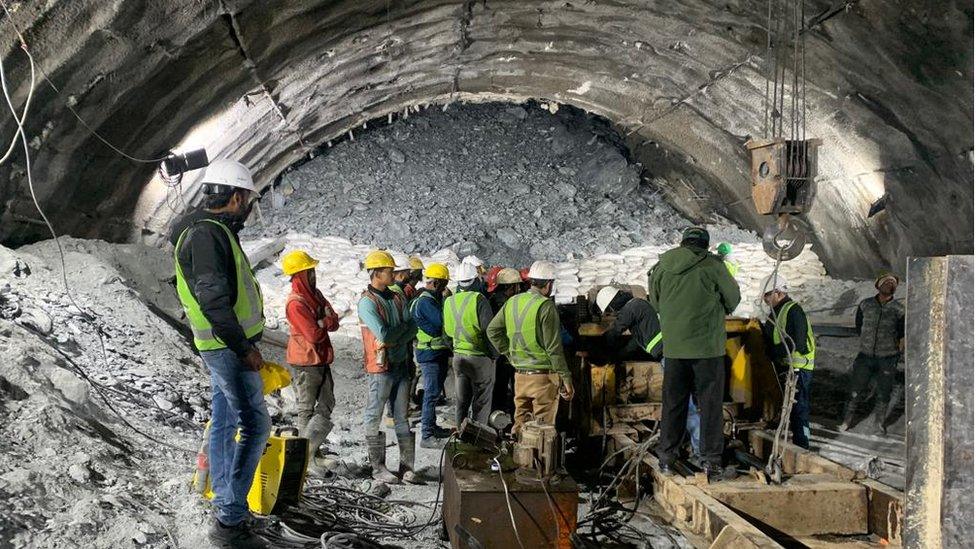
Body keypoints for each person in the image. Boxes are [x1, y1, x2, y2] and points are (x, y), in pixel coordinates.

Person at [170, 160, 270, 549]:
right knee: (256, 425)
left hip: (219, 346)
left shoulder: (208, 231)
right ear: (236, 196)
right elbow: (213, 299)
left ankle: (229, 510)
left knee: (226, 423)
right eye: (247, 199)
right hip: (228, 349)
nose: (248, 207)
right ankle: (229, 521)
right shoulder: (207, 236)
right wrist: (245, 349)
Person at [648, 226, 740, 481]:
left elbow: (655, 303)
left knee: (674, 404)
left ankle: (667, 457)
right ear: (705, 245)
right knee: (709, 405)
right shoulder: (713, 266)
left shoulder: (662, 267)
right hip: (707, 350)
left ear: (683, 242)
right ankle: (711, 461)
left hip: (674, 349)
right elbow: (733, 300)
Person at [487, 261, 574, 435]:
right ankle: (540, 463)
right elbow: (553, 348)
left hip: (520, 375)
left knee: (520, 425)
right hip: (543, 378)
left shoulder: (513, 302)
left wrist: (510, 354)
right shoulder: (545, 306)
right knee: (542, 432)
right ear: (548, 284)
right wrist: (566, 378)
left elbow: (492, 330)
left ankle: (519, 461)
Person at [357, 250, 420, 484]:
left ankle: (407, 467)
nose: (393, 274)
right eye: (389, 271)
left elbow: (412, 327)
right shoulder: (366, 302)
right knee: (374, 415)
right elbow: (382, 333)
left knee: (402, 417)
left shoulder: (396, 297)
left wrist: (396, 337)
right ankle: (378, 467)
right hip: (381, 368)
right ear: (376, 273)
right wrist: (398, 333)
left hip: (400, 364)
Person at [281, 250, 340, 475]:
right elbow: (313, 335)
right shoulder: (295, 303)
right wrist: (324, 322)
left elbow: (333, 321)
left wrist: (323, 321)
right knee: (306, 408)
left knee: (327, 403)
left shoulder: (314, 294)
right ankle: (304, 458)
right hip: (305, 360)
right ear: (299, 275)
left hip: (320, 358)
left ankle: (313, 452)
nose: (314, 274)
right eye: (310, 271)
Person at [839, 272, 905, 434]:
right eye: (887, 282)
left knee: (884, 392)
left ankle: (878, 424)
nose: (890, 285)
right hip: (865, 356)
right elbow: (858, 326)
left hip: (888, 357)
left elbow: (902, 332)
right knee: (855, 390)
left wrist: (898, 350)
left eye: (893, 284)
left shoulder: (899, 309)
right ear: (878, 285)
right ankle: (846, 421)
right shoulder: (865, 305)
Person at [760, 274, 815, 449]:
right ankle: (791, 441)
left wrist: (774, 353)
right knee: (786, 409)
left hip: (798, 368)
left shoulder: (793, 310)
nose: (765, 299)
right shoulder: (777, 311)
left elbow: (796, 343)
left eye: (767, 295)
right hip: (785, 366)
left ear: (778, 292)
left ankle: (803, 445)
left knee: (799, 410)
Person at [444, 262, 496, 427]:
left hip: (459, 358)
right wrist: (494, 354)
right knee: (481, 402)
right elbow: (489, 332)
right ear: (475, 280)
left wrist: (455, 350)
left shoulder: (449, 301)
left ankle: (460, 435)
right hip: (480, 358)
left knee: (461, 401)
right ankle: (477, 441)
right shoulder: (479, 300)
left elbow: (445, 334)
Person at [410, 263, 454, 448]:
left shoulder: (429, 299)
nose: (445, 288)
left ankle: (432, 427)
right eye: (443, 284)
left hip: (437, 353)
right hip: (430, 354)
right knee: (431, 393)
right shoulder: (426, 302)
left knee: (433, 394)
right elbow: (442, 323)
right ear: (436, 283)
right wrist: (447, 301)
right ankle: (427, 435)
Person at [488, 268, 522, 415]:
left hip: (497, 352)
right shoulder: (513, 304)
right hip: (511, 351)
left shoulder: (490, 300)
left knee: (498, 389)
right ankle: (515, 421)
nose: (519, 289)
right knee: (517, 390)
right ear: (511, 286)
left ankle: (498, 421)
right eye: (517, 286)